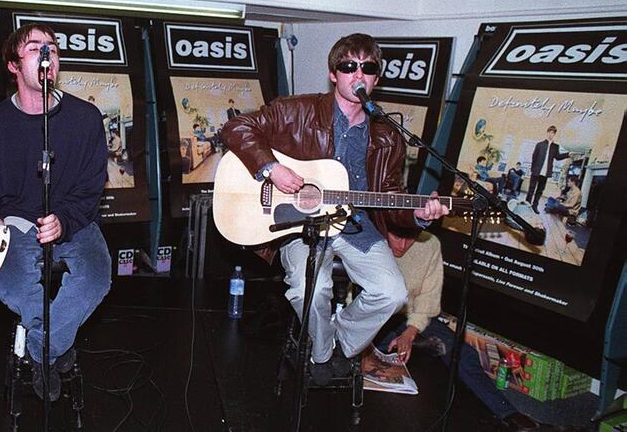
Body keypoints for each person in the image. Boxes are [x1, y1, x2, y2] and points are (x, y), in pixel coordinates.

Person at [222, 33, 449, 385]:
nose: (358, 75)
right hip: (300, 223)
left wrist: (420, 213)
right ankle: (322, 354)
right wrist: (272, 168)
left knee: (392, 292)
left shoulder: (388, 136)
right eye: (349, 66)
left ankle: (338, 338)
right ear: (334, 73)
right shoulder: (296, 110)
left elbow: (390, 195)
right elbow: (236, 128)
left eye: (368, 68)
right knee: (307, 286)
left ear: (376, 77)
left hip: (354, 225)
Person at [0, 24, 111, 402]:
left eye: (53, 48)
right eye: (35, 48)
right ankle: (56, 350)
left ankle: (43, 350)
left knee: (96, 277)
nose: (48, 54)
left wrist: (64, 218)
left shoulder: (86, 119)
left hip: (75, 221)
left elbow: (92, 186)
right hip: (16, 225)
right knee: (10, 284)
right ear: (14, 65)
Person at [379, 232, 554, 432]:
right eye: (396, 237)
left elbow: (429, 299)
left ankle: (511, 414)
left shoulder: (430, 243)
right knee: (362, 347)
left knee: (461, 351)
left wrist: (411, 332)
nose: (402, 244)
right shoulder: (371, 240)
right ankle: (412, 345)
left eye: (408, 237)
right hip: (376, 317)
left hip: (412, 316)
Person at [526, 126, 570, 214]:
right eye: (550, 132)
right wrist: (533, 169)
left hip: (545, 173)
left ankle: (535, 206)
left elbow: (557, 157)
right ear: (547, 133)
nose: (551, 134)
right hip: (536, 171)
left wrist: (568, 154)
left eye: (553, 133)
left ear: (554, 134)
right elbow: (534, 156)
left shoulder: (555, 146)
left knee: (540, 191)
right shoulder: (539, 144)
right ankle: (526, 205)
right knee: (531, 189)